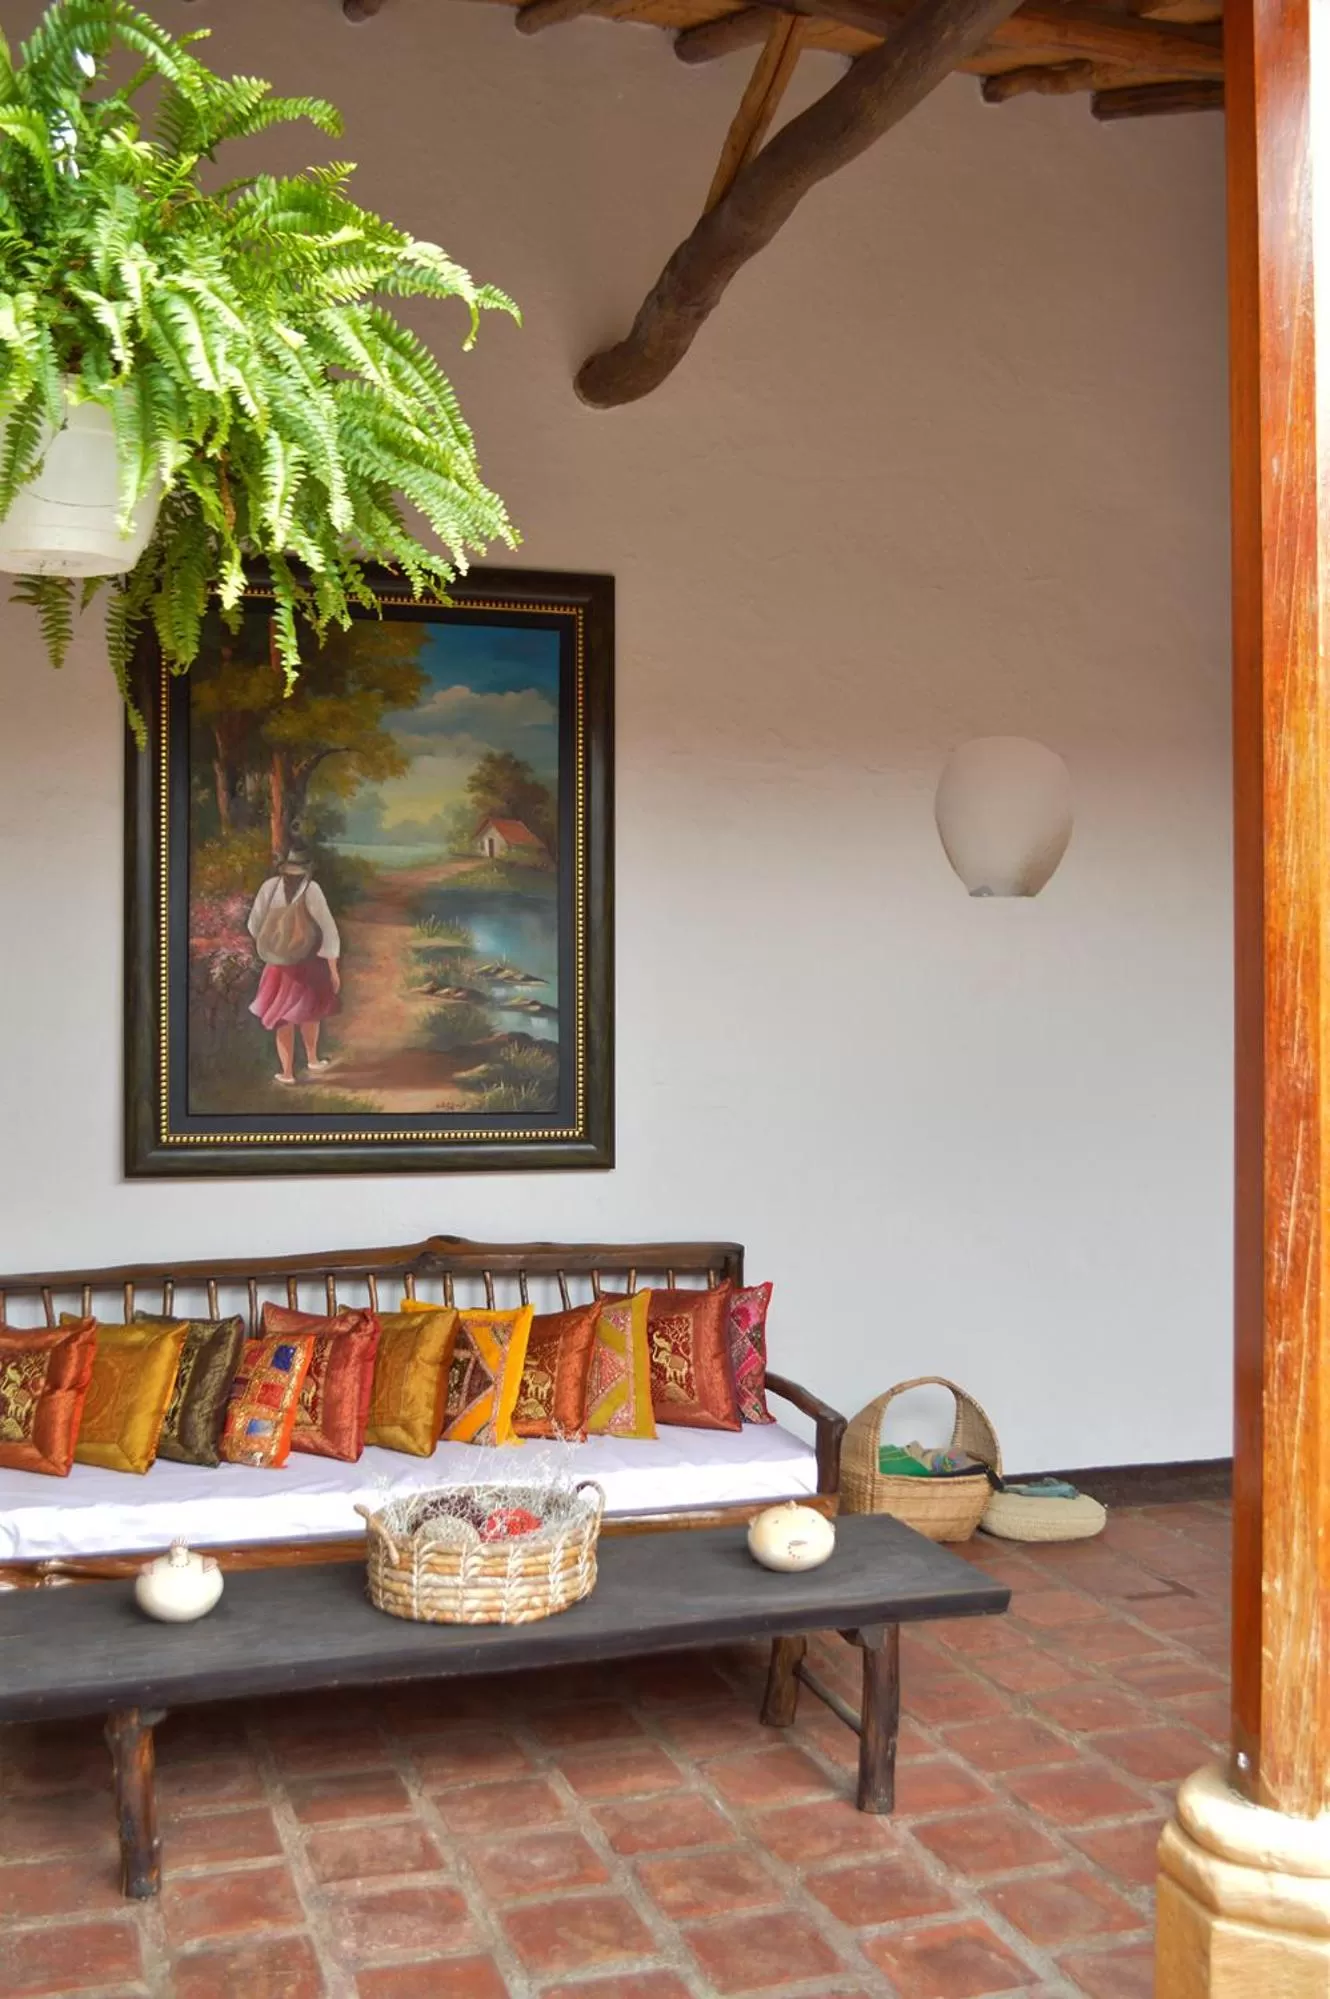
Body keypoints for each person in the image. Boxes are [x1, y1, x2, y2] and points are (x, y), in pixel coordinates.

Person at [247, 848, 342, 1085]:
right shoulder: (312, 889)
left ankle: (287, 1072)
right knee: (311, 1013)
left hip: (278, 965)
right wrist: (333, 968)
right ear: (307, 869)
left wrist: (274, 947)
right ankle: (312, 1059)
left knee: (282, 1018)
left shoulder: (269, 888)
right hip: (309, 961)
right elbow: (328, 929)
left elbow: (254, 925)